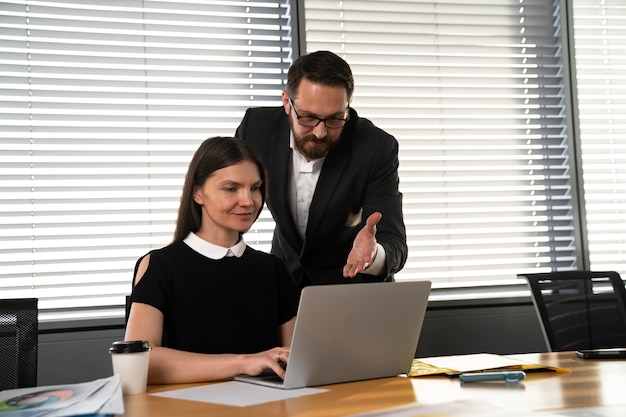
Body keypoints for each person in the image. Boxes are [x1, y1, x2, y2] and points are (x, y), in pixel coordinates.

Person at [125, 137, 298, 384]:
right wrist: (243, 363)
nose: (248, 201)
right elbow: (139, 361)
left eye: (255, 187)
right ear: (198, 193)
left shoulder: (273, 270)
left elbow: (292, 360)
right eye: (231, 189)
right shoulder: (160, 266)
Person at [235, 50, 408, 292]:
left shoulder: (376, 148)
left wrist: (372, 255)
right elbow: (228, 202)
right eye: (308, 117)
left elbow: (395, 243)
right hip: (285, 284)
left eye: (335, 119)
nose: (320, 132)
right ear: (287, 102)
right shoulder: (256, 129)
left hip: (353, 291)